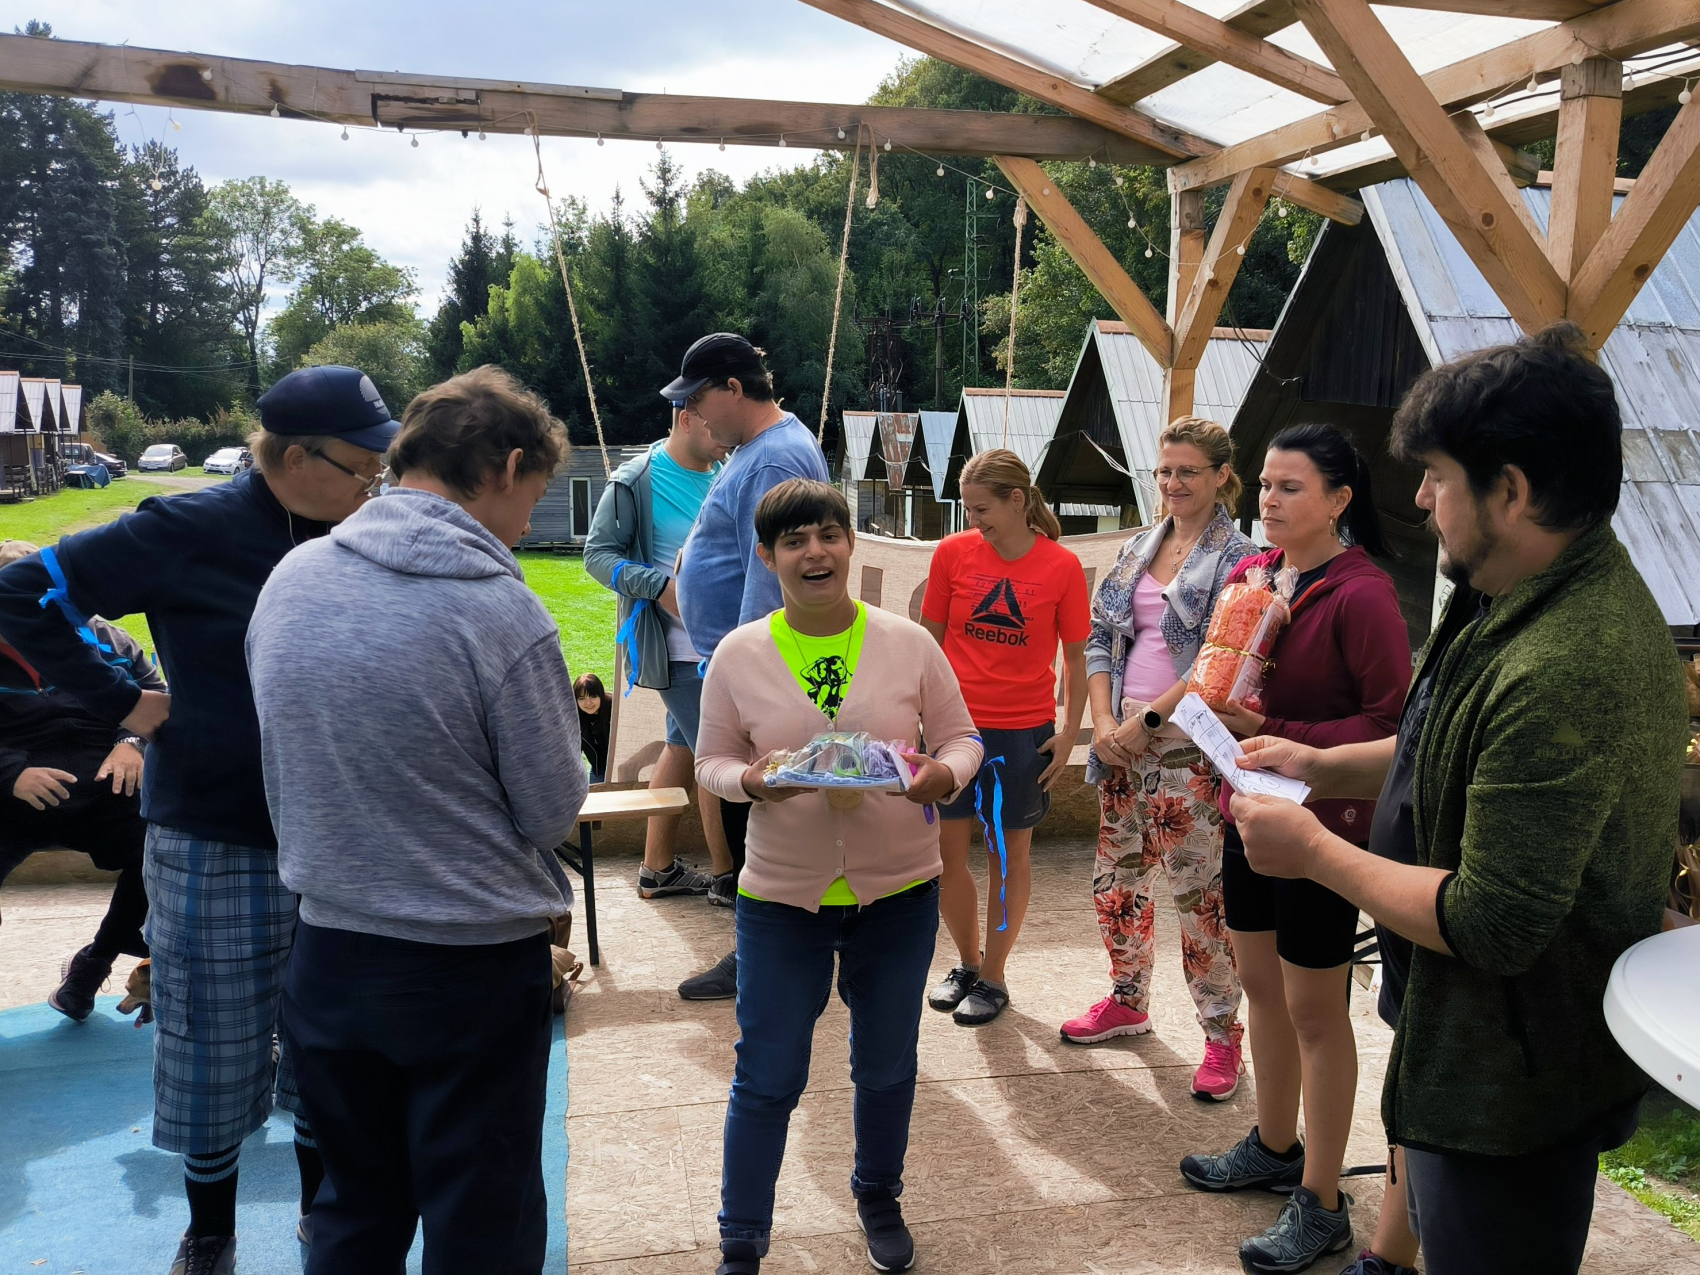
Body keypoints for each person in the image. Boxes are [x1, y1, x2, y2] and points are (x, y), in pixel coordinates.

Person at [1232, 324, 1687, 1275]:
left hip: (1509, 1084)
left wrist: (1313, 850)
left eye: (1436, 476)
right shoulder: (1508, 591)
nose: (1419, 498)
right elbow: (1445, 748)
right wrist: (1324, 766)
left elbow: (1494, 921)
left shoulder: (1568, 661)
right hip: (1460, 1030)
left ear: (1511, 491)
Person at [0, 364, 398, 1275]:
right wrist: (123, 700)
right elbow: (24, 593)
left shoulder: (364, 530)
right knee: (213, 1043)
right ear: (295, 458)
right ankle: (210, 1230)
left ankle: (321, 1218)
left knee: (330, 1045)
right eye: (359, 467)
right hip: (216, 834)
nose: (373, 485)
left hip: (340, 833)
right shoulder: (189, 526)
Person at [248, 365, 586, 1275]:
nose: (528, 525)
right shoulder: (500, 609)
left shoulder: (292, 578)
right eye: (535, 498)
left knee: (353, 1207)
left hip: (329, 952)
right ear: (506, 466)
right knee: (482, 1220)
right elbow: (551, 809)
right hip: (468, 970)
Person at [694, 480, 981, 1275]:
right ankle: (741, 1236)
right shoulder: (739, 654)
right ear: (767, 555)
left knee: (885, 1063)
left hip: (899, 892)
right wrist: (752, 782)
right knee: (767, 1072)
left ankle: (878, 1195)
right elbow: (711, 760)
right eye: (794, 541)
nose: (814, 552)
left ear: (852, 543)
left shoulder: (906, 643)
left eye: (828, 534)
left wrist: (942, 776)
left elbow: (961, 738)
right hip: (781, 897)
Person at [1176, 422, 1410, 1273]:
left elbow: (1392, 727)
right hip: (1248, 814)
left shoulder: (1362, 595)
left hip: (1321, 830)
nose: (1268, 501)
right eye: (1266, 485)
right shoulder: (1254, 577)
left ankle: (1322, 1201)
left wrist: (1273, 727)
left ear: (1340, 499)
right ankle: (1275, 1144)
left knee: (1316, 1011)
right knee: (1260, 988)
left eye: (1291, 487)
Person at [1061, 418, 1256, 1102]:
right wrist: (1105, 722)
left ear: (1222, 476)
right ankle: (1128, 1000)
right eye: (1165, 471)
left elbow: (1220, 659)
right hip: (1122, 745)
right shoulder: (1138, 547)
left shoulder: (1241, 560)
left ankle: (1222, 1036)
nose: (1173, 483)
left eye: (1188, 471)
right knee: (1117, 884)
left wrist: (1147, 722)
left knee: (1201, 901)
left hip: (1188, 750)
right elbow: (1099, 638)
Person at [670, 333, 830, 1000]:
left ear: (734, 388)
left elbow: (772, 581)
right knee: (755, 810)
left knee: (755, 813)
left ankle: (762, 957)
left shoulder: (772, 460)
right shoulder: (762, 451)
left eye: (698, 399)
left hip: (749, 670)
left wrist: (742, 678)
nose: (694, 416)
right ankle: (767, 949)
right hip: (740, 663)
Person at [920, 448, 1089, 1027]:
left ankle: (994, 976)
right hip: (953, 729)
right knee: (945, 855)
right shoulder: (952, 553)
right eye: (969, 510)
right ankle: (967, 963)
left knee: (1008, 857)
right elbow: (927, 643)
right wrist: (917, 717)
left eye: (982, 509)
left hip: (1022, 734)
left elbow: (1076, 658)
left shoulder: (1062, 566)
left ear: (1017, 501)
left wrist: (1068, 733)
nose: (975, 521)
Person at [0, 538, 161, 1023]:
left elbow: (156, 693)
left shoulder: (108, 638)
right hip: (12, 798)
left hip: (107, 788)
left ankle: (94, 964)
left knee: (162, 851)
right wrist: (11, 773)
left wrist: (130, 742)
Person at [584, 402, 730, 897]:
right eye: (717, 421)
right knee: (719, 759)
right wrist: (659, 586)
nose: (728, 433)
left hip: (723, 646)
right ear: (686, 419)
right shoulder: (635, 480)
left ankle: (656, 869)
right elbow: (596, 556)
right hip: (678, 651)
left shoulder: (725, 472)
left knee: (682, 746)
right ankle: (729, 879)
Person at [575, 672, 612, 784]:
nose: (588, 703)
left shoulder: (614, 709)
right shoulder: (574, 717)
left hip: (620, 765)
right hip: (598, 770)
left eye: (593, 696)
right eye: (582, 698)